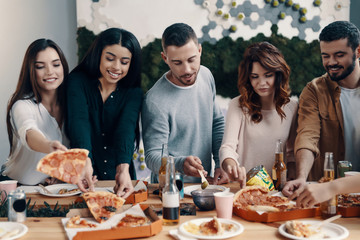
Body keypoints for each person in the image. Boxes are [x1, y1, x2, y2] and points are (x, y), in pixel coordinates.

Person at [141, 23, 228, 184]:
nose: (187, 69)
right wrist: (180, 164)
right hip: (170, 189)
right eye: (177, 63)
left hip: (205, 185)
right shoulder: (155, 101)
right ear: (165, 58)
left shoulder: (206, 75)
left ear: (199, 51)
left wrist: (220, 162)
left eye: (191, 60)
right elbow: (152, 157)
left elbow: (217, 123)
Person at [282, 21, 360, 199]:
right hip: (324, 195)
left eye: (339, 55)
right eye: (326, 56)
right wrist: (302, 177)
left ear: (358, 51)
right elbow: (307, 136)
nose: (331, 62)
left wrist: (334, 187)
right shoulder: (314, 90)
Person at [66, 28, 143, 197]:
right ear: (98, 54)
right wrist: (85, 161)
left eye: (124, 62)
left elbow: (126, 129)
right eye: (110, 58)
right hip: (84, 173)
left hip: (119, 175)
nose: (116, 67)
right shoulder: (77, 82)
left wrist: (123, 169)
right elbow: (79, 121)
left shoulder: (133, 91)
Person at [219, 42, 298, 188]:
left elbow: (292, 154)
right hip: (245, 187)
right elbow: (227, 148)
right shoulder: (237, 105)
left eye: (268, 75)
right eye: (255, 76)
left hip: (279, 189)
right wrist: (231, 165)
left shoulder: (292, 107)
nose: (262, 83)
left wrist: (292, 178)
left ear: (278, 74)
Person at [0, 39, 69, 185]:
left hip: (52, 189)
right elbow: (29, 133)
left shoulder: (73, 105)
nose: (50, 72)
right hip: (16, 188)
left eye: (56, 64)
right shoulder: (21, 105)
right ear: (31, 70)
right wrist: (49, 146)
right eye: (40, 66)